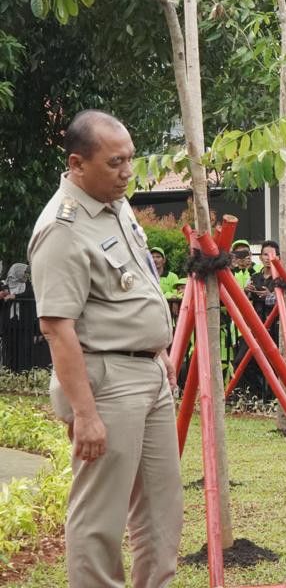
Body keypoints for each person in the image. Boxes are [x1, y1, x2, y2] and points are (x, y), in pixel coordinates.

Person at [28, 110, 182, 587]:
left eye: (130, 159)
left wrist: (157, 349)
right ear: (77, 163)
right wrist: (86, 413)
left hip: (148, 374)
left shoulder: (114, 205)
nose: (127, 172)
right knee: (101, 519)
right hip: (106, 384)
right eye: (115, 162)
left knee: (162, 511)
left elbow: (130, 288)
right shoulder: (62, 228)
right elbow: (58, 328)